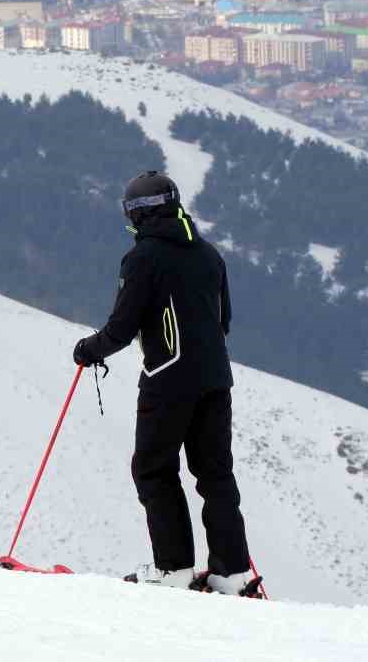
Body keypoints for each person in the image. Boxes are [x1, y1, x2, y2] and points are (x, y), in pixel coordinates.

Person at [73, 171, 260, 596]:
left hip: (166, 379)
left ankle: (173, 568)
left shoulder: (142, 259)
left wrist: (89, 349)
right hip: (216, 379)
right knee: (215, 475)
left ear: (140, 214)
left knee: (154, 469)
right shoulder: (210, 255)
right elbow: (223, 320)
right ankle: (231, 574)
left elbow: (122, 327)